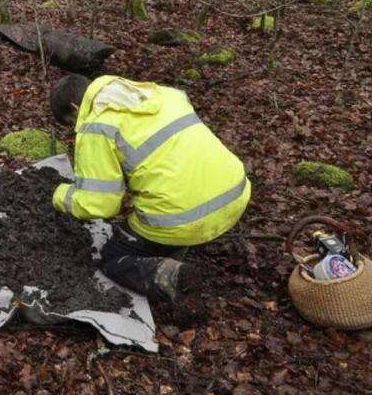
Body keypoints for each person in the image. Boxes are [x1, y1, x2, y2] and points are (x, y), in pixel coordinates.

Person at [49, 74, 250, 302]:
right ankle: (176, 246)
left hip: (184, 219)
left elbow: (98, 205)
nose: (76, 129)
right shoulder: (162, 93)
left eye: (72, 122)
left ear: (76, 107)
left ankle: (169, 275)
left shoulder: (97, 125)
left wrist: (58, 195)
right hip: (236, 194)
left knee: (112, 257)